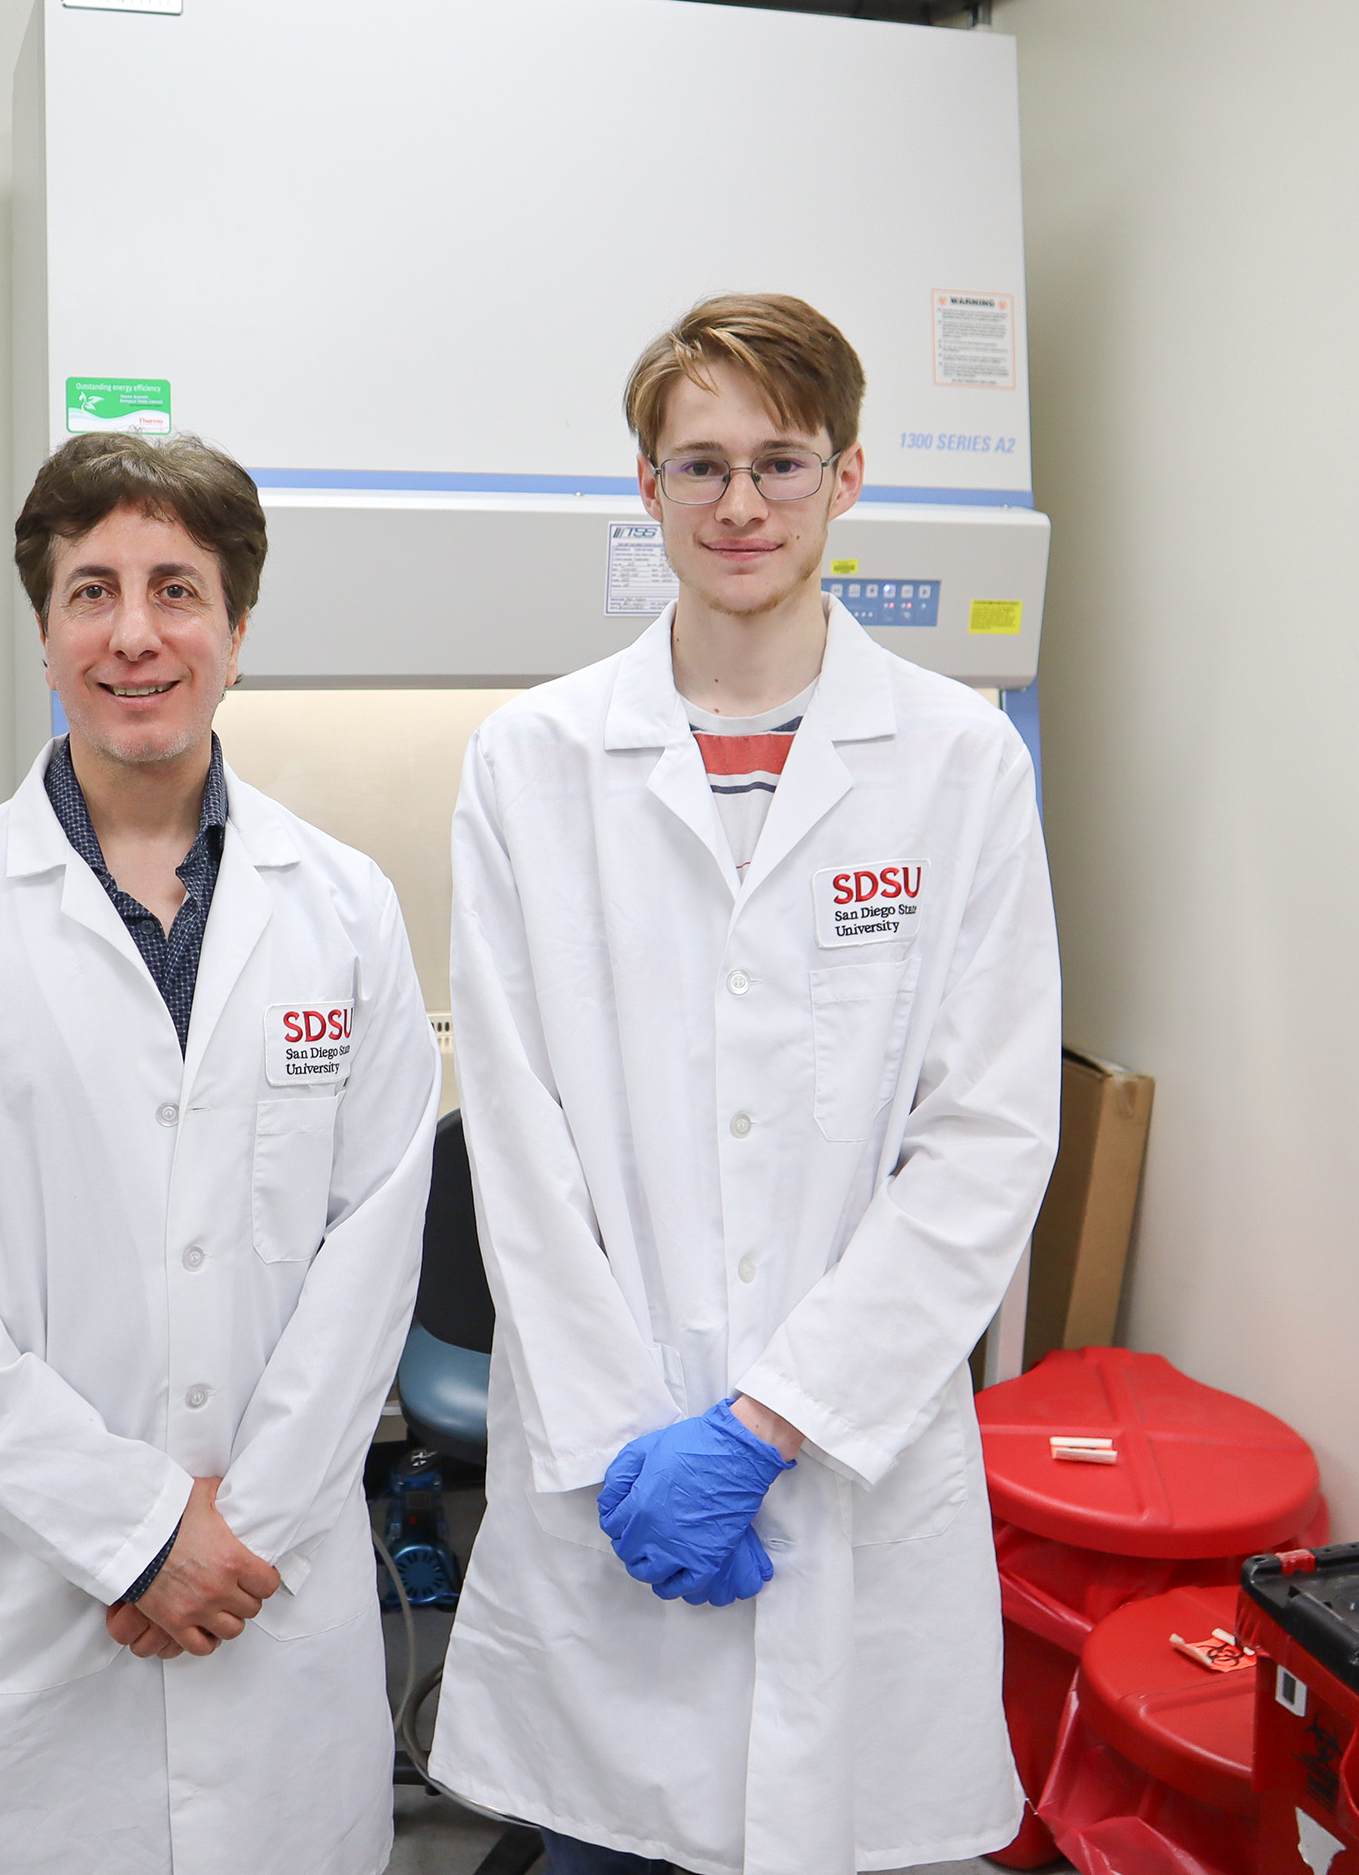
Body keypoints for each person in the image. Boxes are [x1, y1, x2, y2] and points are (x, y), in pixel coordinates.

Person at [428, 293, 1062, 1875]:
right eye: (697, 465)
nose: (739, 507)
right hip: (610, 1466)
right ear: (641, 487)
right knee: (607, 1845)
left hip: (848, 1450)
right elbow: (516, 1137)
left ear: (848, 478)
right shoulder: (532, 761)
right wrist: (625, 1443)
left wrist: (769, 1424)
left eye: (779, 464)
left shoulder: (955, 759)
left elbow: (985, 1140)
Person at [0, 432, 441, 1875]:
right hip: (32, 1576)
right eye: (91, 591)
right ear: (43, 631)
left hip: (267, 1569)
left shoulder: (343, 910)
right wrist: (129, 1532)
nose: (135, 634)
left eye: (177, 588)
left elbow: (374, 1244)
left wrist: (237, 1531)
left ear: (235, 626)